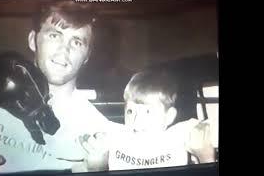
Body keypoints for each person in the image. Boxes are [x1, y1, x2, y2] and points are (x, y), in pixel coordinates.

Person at [0, 1, 121, 173]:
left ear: (87, 56)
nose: (64, 50)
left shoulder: (101, 133)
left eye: (76, 42)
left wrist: (100, 171)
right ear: (33, 40)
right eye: (54, 35)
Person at [79, 69, 216, 171]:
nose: (136, 119)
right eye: (130, 111)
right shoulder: (115, 133)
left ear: (169, 116)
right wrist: (95, 157)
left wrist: (204, 146)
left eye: (148, 111)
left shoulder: (179, 133)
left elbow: (208, 129)